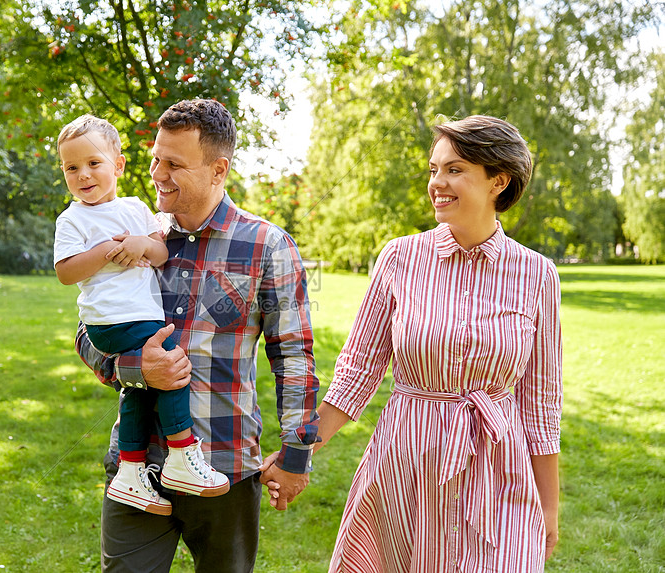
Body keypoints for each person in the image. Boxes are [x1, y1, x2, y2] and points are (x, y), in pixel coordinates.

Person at [73, 99, 320, 572]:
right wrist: (135, 368)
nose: (156, 173)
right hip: (137, 464)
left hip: (225, 466)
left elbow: (294, 355)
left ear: (218, 170)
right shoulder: (134, 235)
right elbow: (88, 334)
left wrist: (296, 454)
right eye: (155, 158)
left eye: (174, 164)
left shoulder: (267, 245)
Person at [312, 115, 562, 572]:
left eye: (455, 169)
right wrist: (299, 450)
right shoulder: (400, 258)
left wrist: (548, 505)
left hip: (498, 473)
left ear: (497, 182)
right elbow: (358, 372)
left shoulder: (538, 274)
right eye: (434, 169)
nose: (437, 183)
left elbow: (540, 403)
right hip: (405, 464)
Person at [53, 114, 230, 517]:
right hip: (112, 322)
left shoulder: (135, 209)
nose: (83, 175)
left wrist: (138, 244)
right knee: (171, 366)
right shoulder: (73, 219)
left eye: (93, 163)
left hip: (136, 316)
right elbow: (65, 272)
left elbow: (161, 252)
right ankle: (182, 453)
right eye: (71, 167)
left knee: (138, 388)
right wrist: (104, 252)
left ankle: (131, 469)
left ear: (118, 165)